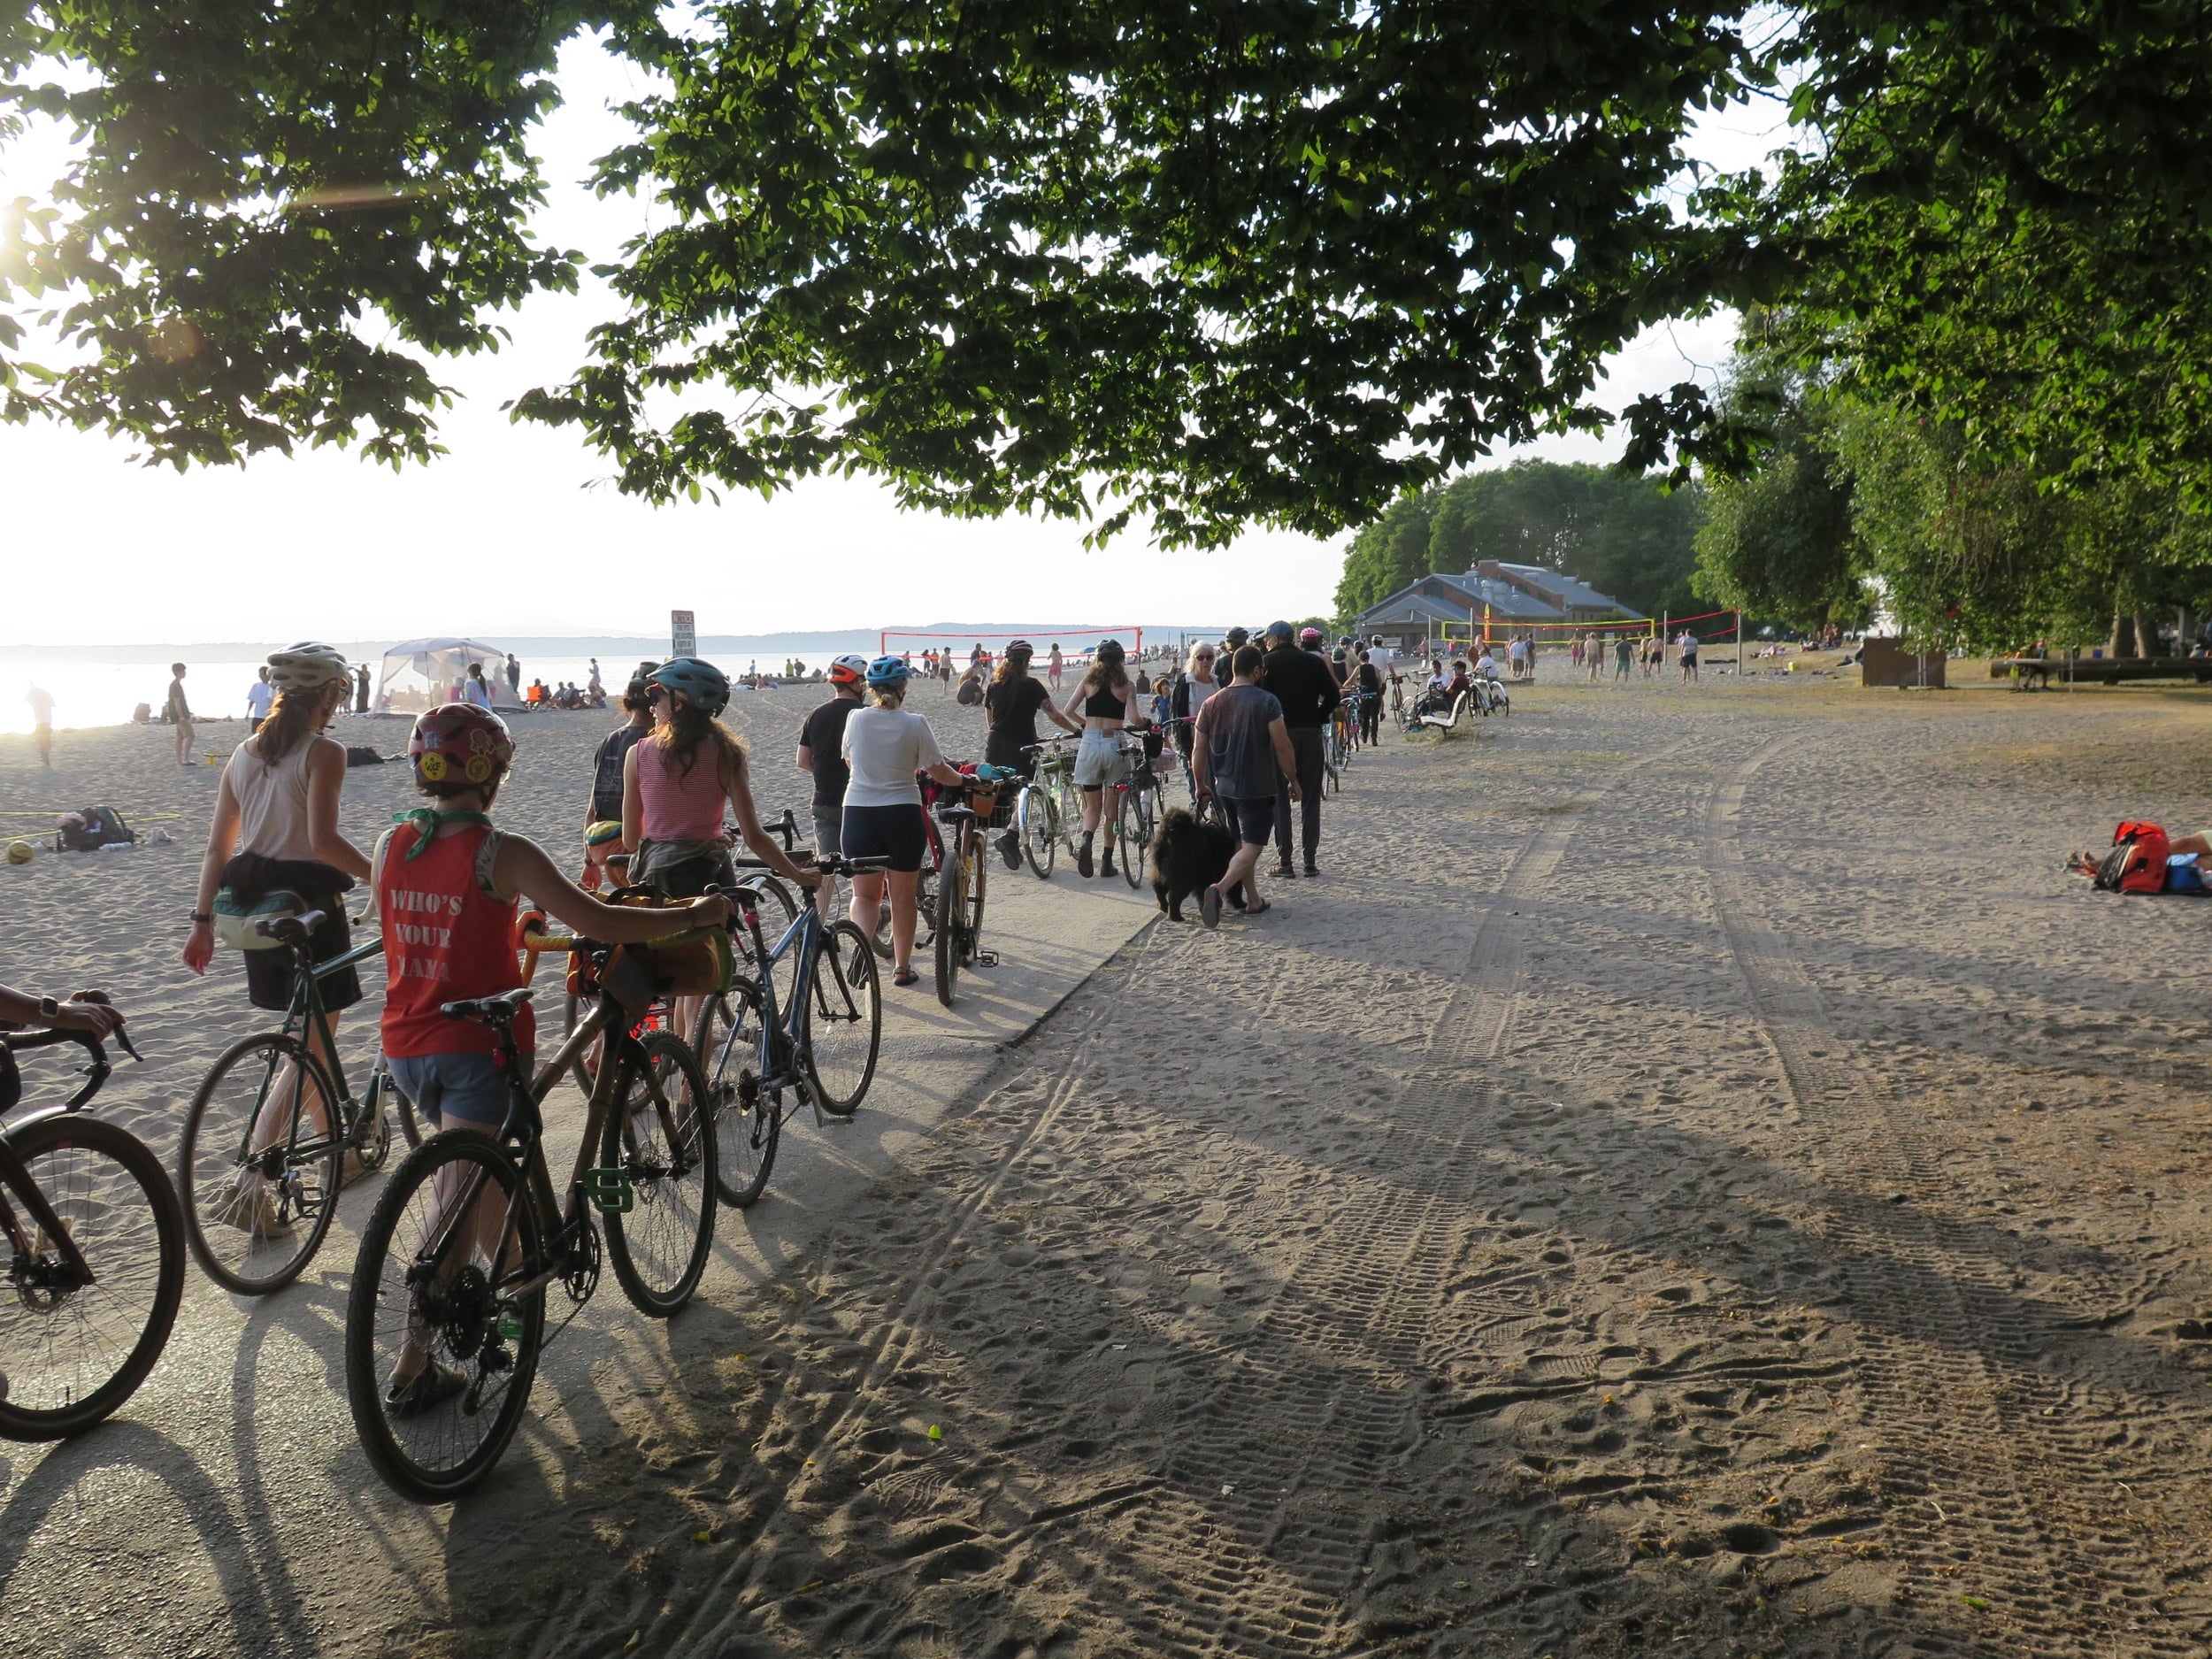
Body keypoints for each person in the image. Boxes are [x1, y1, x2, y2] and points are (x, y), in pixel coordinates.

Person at [369, 703, 733, 1415]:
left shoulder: (389, 842)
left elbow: (432, 921)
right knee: (452, 1206)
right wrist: (694, 915)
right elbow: (600, 921)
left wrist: (515, 926)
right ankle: (413, 1365)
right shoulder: (501, 850)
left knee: (479, 1178)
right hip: (476, 1046)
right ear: (492, 775)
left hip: (406, 1045)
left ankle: (518, 1280)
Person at [181, 643, 369, 1233]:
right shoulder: (325, 752)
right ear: (331, 694)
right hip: (308, 907)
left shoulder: (243, 753)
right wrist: (386, 874)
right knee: (313, 1043)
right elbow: (323, 843)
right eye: (340, 691)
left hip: (254, 910)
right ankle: (249, 1181)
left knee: (303, 1038)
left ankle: (339, 1154)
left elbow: (218, 847)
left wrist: (202, 921)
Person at [622, 658, 818, 1036]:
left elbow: (632, 840)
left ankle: (684, 1073)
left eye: (657, 694)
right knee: (697, 992)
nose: (652, 704)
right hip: (709, 879)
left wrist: (670, 825)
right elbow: (755, 836)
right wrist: (796, 875)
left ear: (679, 702)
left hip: (656, 884)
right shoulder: (727, 754)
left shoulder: (638, 754)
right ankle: (690, 1088)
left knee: (677, 984)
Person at [842, 657, 964, 987]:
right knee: (902, 897)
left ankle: (863, 951)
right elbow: (938, 770)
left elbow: (850, 762)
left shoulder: (855, 718)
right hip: (901, 812)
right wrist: (962, 782)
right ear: (903, 688)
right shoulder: (914, 722)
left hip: (858, 812)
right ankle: (902, 967)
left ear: (868, 688)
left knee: (865, 896)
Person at [1190, 643, 1298, 927]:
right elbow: (1283, 746)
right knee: (1253, 846)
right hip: (1257, 785)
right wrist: (1293, 779)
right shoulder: (1266, 702)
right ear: (1257, 670)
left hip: (1224, 787)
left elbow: (1198, 750)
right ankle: (1220, 889)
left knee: (1240, 842)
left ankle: (1253, 900)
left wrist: (1200, 784)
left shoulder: (1211, 703)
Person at [984, 641, 1080, 865]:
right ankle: (1011, 836)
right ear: (1027, 661)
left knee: (1007, 792)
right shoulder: (1032, 685)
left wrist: (998, 732)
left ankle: (1014, 843)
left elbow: (990, 717)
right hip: (1021, 746)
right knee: (1025, 789)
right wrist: (1076, 730)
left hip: (995, 744)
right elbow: (1054, 714)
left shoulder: (994, 684)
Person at [1062, 638, 1148, 879]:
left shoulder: (1088, 681)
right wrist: (1145, 723)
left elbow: (1068, 710)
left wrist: (1085, 725)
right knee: (1111, 810)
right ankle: (1107, 862)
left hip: (1089, 744)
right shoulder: (1127, 685)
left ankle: (1087, 841)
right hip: (1115, 744)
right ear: (1121, 661)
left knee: (1092, 807)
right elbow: (1134, 717)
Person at [1257, 620, 1337, 879]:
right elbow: (1333, 696)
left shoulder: (1267, 663)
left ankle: (1285, 862)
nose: (1267, 642)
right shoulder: (1313, 662)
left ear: (1276, 639)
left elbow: (1259, 700)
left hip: (1280, 734)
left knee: (1280, 798)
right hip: (1310, 734)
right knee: (1311, 798)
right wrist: (1319, 716)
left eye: (1268, 638)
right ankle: (1310, 861)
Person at [797, 655, 872, 920]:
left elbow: (802, 761)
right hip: (859, 803)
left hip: (823, 802)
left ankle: (814, 929)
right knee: (866, 875)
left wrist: (825, 773)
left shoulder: (816, 714)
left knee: (826, 872)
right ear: (858, 683)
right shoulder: (864, 715)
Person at [586, 678, 655, 880]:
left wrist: (588, 861)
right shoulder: (651, 742)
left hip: (607, 845)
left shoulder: (609, 740)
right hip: (638, 845)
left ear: (626, 704)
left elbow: (593, 807)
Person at [1168, 641, 1221, 797]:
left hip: (1217, 745)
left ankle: (1218, 820)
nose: (1205, 661)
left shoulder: (1217, 682)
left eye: (1209, 657)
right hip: (1193, 744)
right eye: (1200, 657)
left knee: (1219, 794)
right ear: (1193, 659)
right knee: (1199, 794)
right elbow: (1178, 719)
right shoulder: (1185, 683)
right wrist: (1187, 752)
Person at [165, 663, 195, 766]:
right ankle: (185, 759)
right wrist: (181, 716)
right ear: (179, 672)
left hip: (177, 714)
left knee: (180, 737)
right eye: (183, 671)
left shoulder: (175, 684)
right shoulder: (176, 685)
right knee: (190, 735)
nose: (185, 673)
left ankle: (179, 760)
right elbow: (176, 701)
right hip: (179, 715)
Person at [1355, 650, 1383, 744]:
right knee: (1374, 717)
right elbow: (1379, 680)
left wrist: (1343, 686)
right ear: (1368, 658)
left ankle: (1365, 737)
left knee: (1365, 717)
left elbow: (1351, 679)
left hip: (1365, 696)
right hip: (1375, 695)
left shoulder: (1359, 668)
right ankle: (1374, 738)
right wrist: (1377, 688)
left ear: (1359, 659)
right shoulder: (1374, 668)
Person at [25, 685, 53, 768]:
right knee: (46, 741)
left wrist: (32, 689)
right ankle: (46, 758)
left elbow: (27, 699)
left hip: (40, 722)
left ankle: (46, 761)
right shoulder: (46, 698)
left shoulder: (35, 700)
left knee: (41, 742)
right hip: (48, 722)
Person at [245, 666, 274, 730]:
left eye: (263, 674)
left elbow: (275, 701)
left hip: (268, 716)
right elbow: (252, 701)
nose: (261, 676)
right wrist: (248, 712)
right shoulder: (256, 686)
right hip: (257, 716)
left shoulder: (273, 686)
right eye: (260, 674)